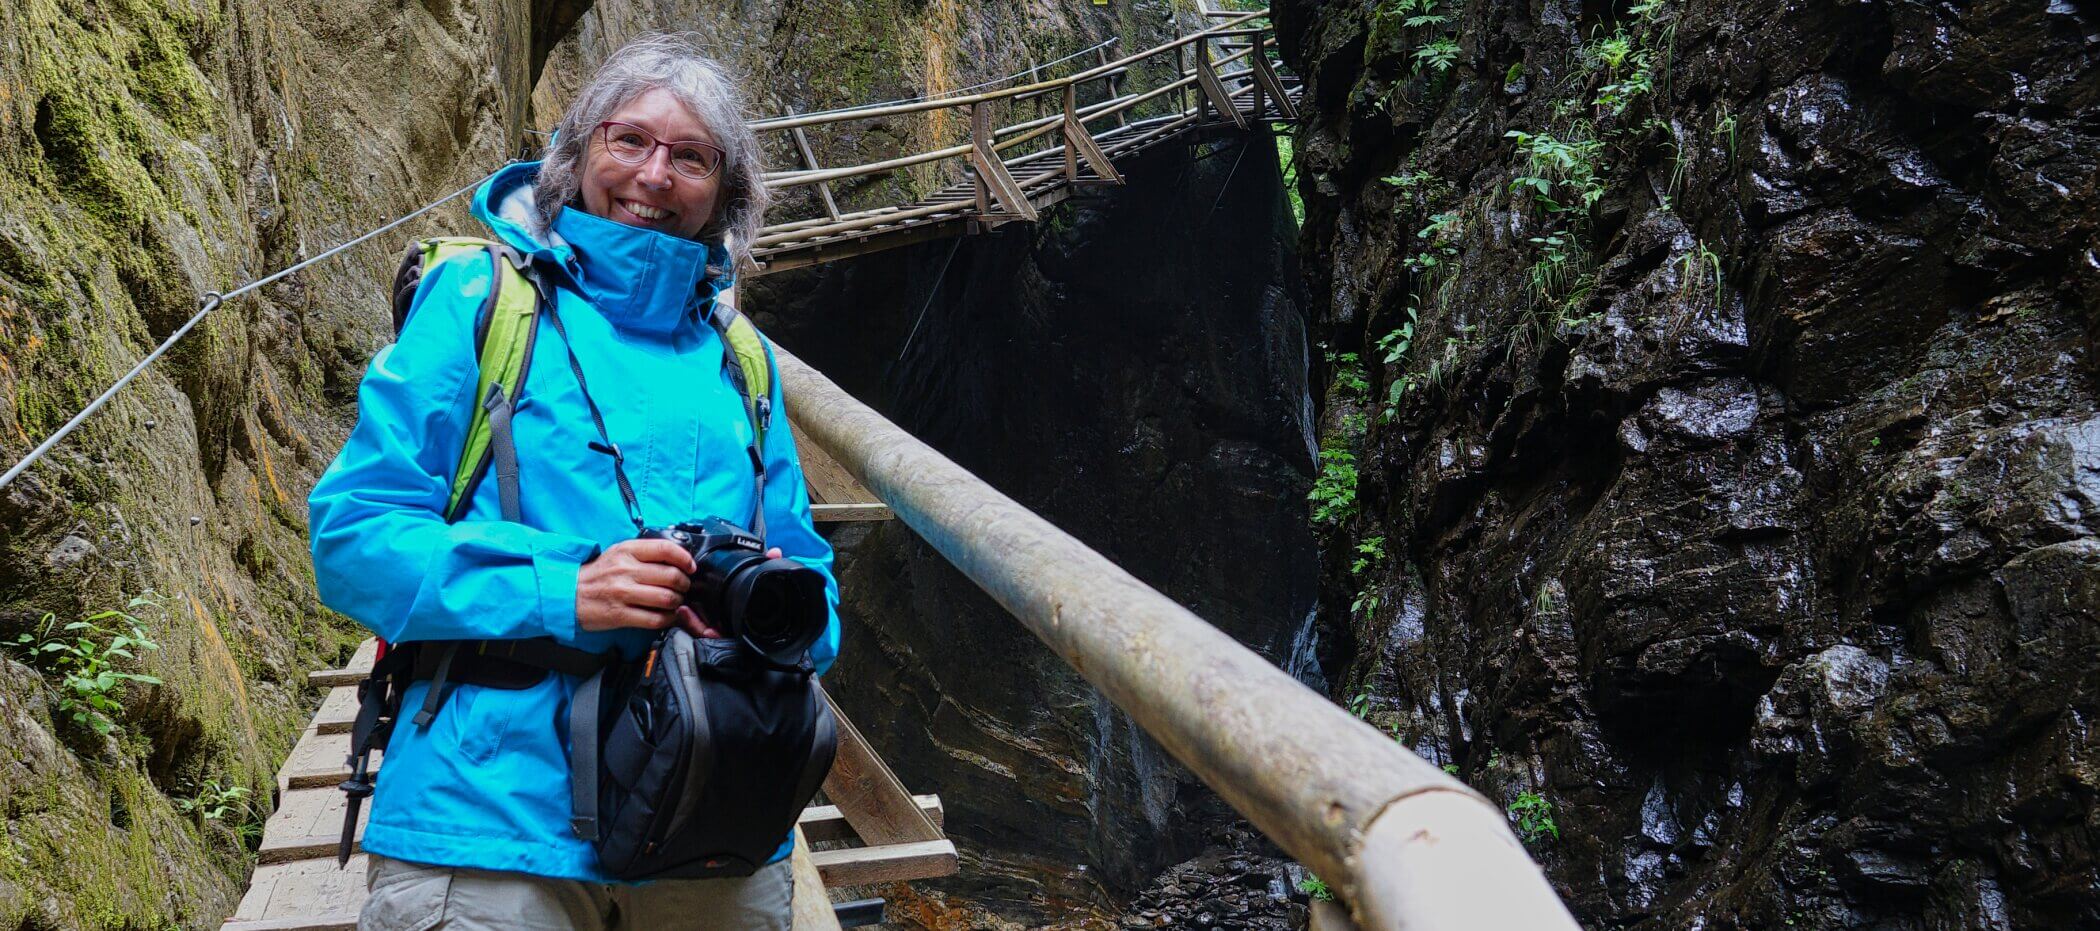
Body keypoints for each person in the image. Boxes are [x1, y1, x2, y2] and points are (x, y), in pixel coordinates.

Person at [307, 33, 839, 930]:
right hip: (489, 820)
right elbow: (353, 539)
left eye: (691, 157)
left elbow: (815, 588)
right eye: (627, 140)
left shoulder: (741, 359)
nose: (654, 175)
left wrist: (758, 615)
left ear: (726, 194)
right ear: (577, 151)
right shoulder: (481, 301)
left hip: (714, 821)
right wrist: (571, 589)